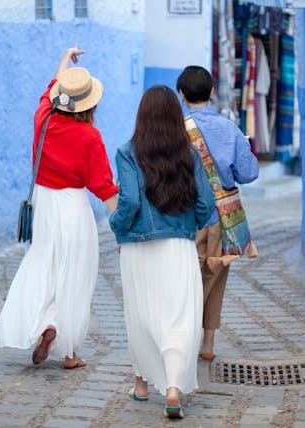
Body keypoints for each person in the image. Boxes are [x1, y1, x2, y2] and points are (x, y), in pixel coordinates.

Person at [0, 45, 118, 370]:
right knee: (74, 275)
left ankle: (45, 321)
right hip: (74, 206)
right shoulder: (90, 137)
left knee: (44, 264)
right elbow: (104, 186)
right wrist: (122, 230)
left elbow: (53, 84)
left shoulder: (42, 118)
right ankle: (70, 352)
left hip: (45, 204)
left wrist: (65, 56)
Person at [109, 85, 215, 419]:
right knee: (179, 317)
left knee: (140, 314)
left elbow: (129, 202)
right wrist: (191, 224)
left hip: (139, 248)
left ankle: (141, 385)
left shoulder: (128, 152)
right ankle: (172, 390)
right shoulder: (190, 153)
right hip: (178, 247)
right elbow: (206, 204)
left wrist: (118, 227)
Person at [176, 66, 259, 361]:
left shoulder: (176, 130)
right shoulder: (229, 129)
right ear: (212, 93)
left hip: (187, 216)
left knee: (184, 277)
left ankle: (181, 339)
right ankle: (208, 344)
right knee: (216, 276)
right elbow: (248, 173)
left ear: (182, 95)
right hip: (223, 218)